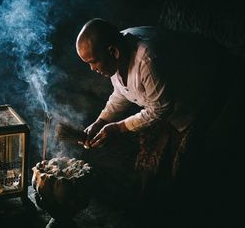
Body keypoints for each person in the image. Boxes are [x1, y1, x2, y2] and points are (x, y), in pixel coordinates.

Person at [75, 18, 239, 226]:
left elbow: (160, 109)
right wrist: (101, 121)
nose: (91, 68)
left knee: (188, 163)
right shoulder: (115, 51)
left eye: (92, 61)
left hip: (211, 86)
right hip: (171, 96)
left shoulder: (148, 59)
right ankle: (154, 208)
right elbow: (122, 91)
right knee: (153, 160)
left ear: (113, 52)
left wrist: (118, 128)